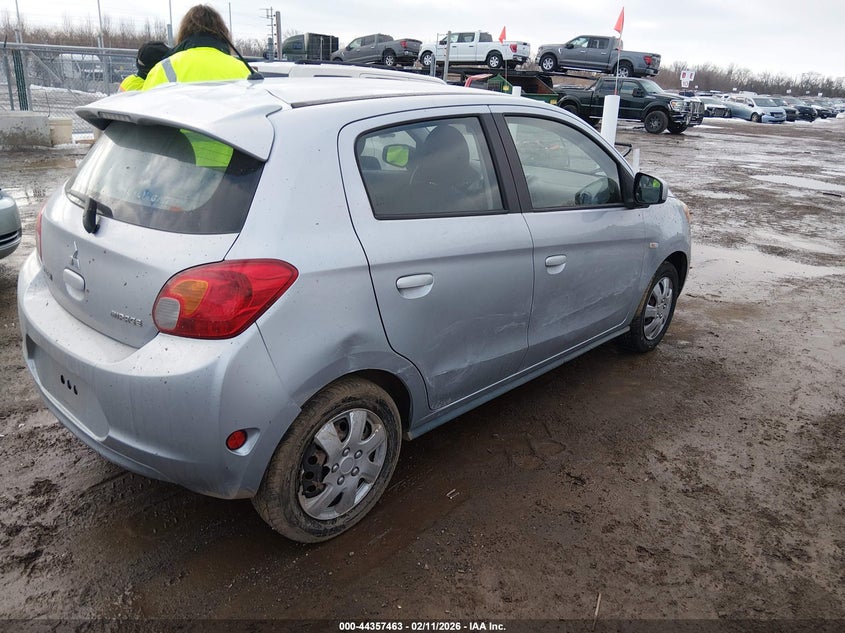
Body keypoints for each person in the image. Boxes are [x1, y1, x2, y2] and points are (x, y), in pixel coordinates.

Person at [142, 4, 251, 90]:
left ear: (184, 32)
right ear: (222, 32)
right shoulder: (244, 70)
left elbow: (145, 112)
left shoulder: (163, 69)